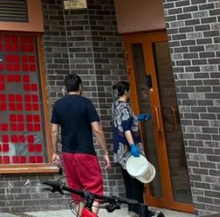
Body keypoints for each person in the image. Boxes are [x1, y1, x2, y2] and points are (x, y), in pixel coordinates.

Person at [50, 73, 112, 209]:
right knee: (95, 191)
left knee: (76, 192)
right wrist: (105, 152)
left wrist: (55, 152)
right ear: (80, 86)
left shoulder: (58, 105)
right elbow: (97, 130)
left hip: (67, 154)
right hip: (85, 153)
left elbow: (54, 131)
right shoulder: (86, 103)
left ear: (66, 88)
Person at [111, 80, 152, 215]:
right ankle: (140, 210)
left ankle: (132, 209)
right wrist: (133, 146)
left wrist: (137, 118)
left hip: (119, 149)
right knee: (137, 180)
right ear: (126, 92)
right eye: (130, 91)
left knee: (128, 180)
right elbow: (126, 128)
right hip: (128, 149)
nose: (131, 93)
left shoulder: (115, 105)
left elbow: (122, 121)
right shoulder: (124, 107)